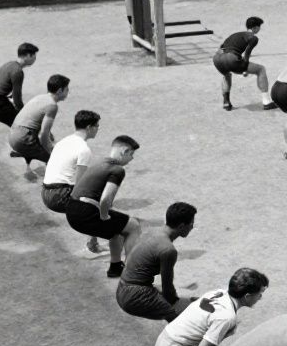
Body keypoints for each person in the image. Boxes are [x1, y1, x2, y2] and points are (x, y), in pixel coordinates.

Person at [64, 134, 142, 278]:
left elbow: (90, 199)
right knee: (134, 226)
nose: (132, 158)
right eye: (131, 154)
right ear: (124, 151)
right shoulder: (117, 170)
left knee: (116, 230)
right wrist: (104, 216)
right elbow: (106, 199)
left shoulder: (98, 163)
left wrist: (93, 234)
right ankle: (132, 273)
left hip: (72, 211)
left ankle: (115, 268)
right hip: (85, 212)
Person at [115, 201, 198, 322]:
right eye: (191, 224)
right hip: (134, 295)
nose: (192, 227)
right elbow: (167, 287)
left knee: (178, 307)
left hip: (122, 290)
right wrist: (176, 305)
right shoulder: (168, 250)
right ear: (181, 226)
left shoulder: (150, 232)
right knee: (181, 321)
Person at [40, 109, 103, 255]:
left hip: (45, 192)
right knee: (96, 202)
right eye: (97, 126)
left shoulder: (64, 141)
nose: (98, 129)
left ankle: (93, 243)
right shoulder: (84, 150)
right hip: (58, 196)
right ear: (89, 128)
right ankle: (92, 245)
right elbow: (82, 185)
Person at [7, 73, 68, 177]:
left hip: (12, 135)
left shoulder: (41, 97)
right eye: (67, 89)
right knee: (56, 160)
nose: (68, 92)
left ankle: (24, 152)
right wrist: (49, 153)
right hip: (22, 139)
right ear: (59, 91)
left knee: (47, 141)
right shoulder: (52, 106)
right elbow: (43, 134)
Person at [213, 17, 274, 112]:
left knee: (227, 75)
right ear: (255, 28)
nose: (260, 29)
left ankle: (226, 102)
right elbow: (247, 53)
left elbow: (222, 47)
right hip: (231, 58)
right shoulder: (253, 38)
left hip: (217, 58)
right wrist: (244, 68)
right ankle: (266, 102)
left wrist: (241, 65)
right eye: (259, 26)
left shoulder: (235, 34)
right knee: (261, 69)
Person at [0, 41, 37, 128]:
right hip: (0, 103)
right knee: (22, 125)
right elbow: (17, 97)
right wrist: (23, 112)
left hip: (2, 100)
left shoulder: (8, 64)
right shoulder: (18, 72)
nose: (35, 59)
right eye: (34, 56)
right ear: (27, 55)